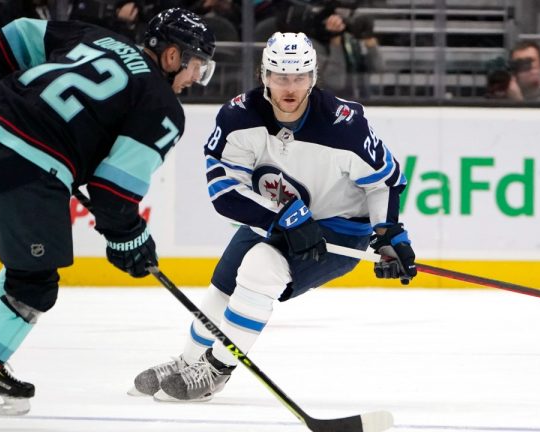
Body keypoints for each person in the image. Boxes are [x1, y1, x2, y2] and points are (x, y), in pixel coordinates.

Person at [130, 31, 417, 402]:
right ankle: (188, 361)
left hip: (338, 231)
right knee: (224, 283)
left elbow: (385, 182)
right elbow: (224, 190)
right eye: (281, 76)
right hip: (274, 215)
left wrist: (390, 236)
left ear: (313, 78)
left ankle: (216, 370)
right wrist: (287, 218)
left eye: (299, 77)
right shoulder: (238, 117)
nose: (290, 87)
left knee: (260, 268)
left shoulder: (345, 125)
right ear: (264, 75)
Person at [0, 8, 216, 422]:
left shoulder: (96, 36)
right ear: (172, 57)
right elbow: (112, 194)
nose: (195, 78)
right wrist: (132, 242)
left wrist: (22, 101)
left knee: (24, 266)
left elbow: (9, 38)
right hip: (24, 168)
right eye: (197, 66)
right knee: (34, 287)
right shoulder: (162, 105)